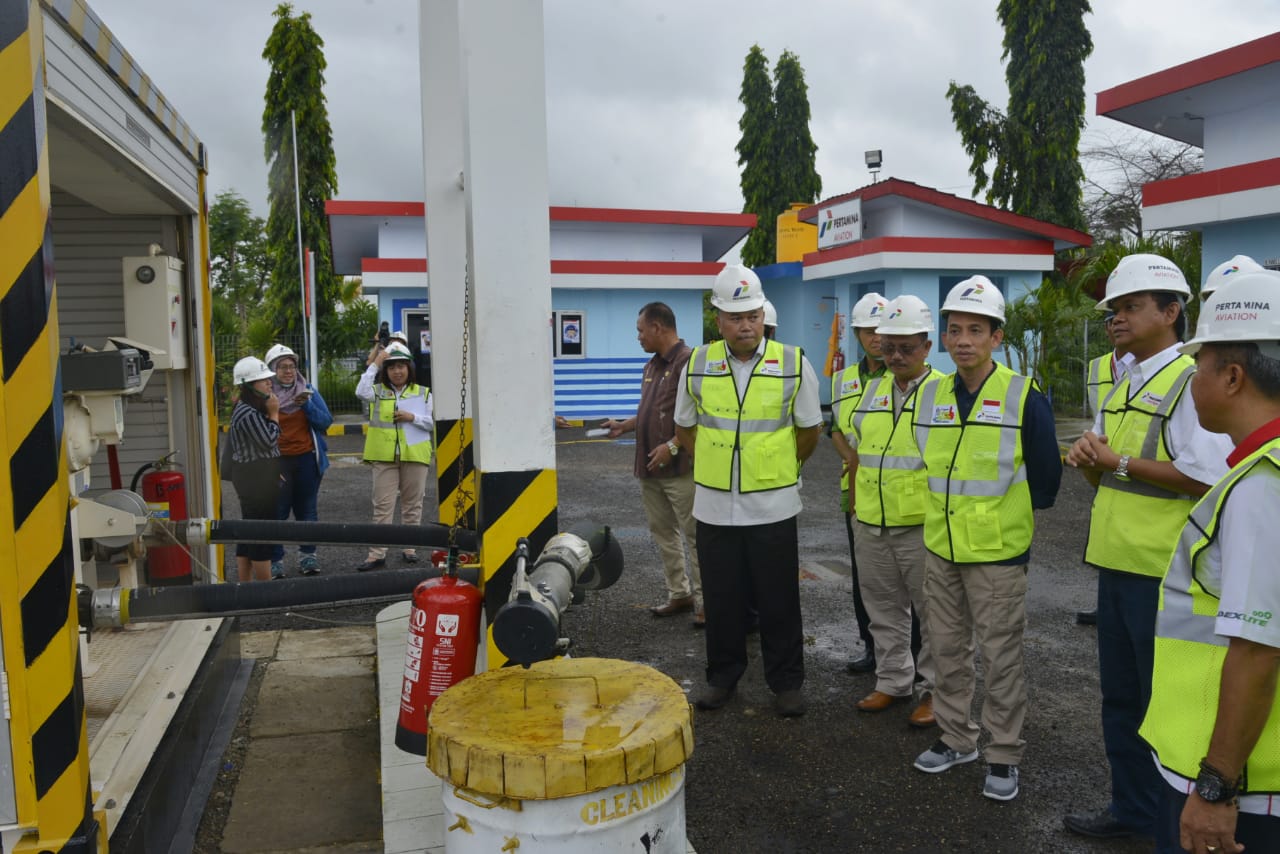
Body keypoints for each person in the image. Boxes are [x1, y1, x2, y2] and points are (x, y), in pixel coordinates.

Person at [1064, 255, 1234, 841]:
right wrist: (1091, 460)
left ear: (1170, 312)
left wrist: (1118, 462)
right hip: (1117, 564)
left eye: (1132, 307)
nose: (1118, 318)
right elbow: (1111, 472)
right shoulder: (1124, 381)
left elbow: (1206, 477)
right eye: (1114, 309)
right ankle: (1131, 810)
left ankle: (1169, 825)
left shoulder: (1189, 382)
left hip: (1163, 573)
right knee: (1121, 700)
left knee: (1164, 708)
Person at [1138, 269, 1280, 854]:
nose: (1191, 379)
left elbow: (1258, 648)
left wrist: (1216, 786)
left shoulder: (1262, 486)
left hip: (1242, 782)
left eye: (1198, 365)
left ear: (1232, 376)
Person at [910, 276, 1061, 802]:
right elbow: (928, 460)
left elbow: (1046, 478)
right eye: (954, 330)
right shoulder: (930, 394)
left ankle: (1003, 754)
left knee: (1001, 659)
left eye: (976, 330)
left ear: (997, 337)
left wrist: (1003, 520)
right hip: (941, 547)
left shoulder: (1023, 396)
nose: (963, 340)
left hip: (998, 553)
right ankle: (957, 739)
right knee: (947, 651)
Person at [675, 263, 823, 718]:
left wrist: (776, 468)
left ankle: (787, 683)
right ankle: (722, 677)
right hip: (715, 506)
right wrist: (718, 465)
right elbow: (684, 429)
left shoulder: (794, 363)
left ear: (763, 316)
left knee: (779, 599)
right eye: (736, 317)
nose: (746, 325)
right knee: (722, 598)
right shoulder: (697, 365)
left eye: (753, 316)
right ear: (718, 319)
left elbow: (809, 431)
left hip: (773, 505)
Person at [845, 295, 943, 728]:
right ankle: (893, 681)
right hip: (871, 521)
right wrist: (855, 508)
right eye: (889, 347)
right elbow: (858, 452)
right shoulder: (872, 391)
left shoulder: (945, 393)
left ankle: (935, 691)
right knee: (883, 611)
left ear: (927, 346)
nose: (897, 356)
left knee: (936, 615)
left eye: (906, 347)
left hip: (922, 525)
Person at [601, 302, 702, 626]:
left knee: (695, 535)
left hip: (680, 468)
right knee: (663, 533)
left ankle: (706, 603)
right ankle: (679, 594)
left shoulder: (690, 362)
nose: (639, 337)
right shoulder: (651, 366)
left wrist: (672, 446)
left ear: (658, 327)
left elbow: (700, 416)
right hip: (649, 467)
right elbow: (651, 411)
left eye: (641, 330)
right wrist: (624, 426)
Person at [831, 293, 896, 675]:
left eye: (882, 330)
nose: (876, 337)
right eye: (868, 330)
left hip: (898, 493)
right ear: (856, 333)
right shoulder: (843, 380)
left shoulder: (903, 375)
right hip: (855, 492)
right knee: (865, 577)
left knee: (902, 581)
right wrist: (850, 457)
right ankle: (872, 647)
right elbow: (835, 429)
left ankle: (909, 655)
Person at [354, 341, 434, 571]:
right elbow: (360, 391)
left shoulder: (423, 393)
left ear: (409, 368)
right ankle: (377, 554)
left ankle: (410, 548)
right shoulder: (378, 392)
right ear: (386, 370)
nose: (397, 371)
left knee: (412, 505)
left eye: (401, 366)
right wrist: (376, 362)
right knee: (382, 506)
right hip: (384, 457)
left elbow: (431, 423)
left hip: (415, 455)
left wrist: (412, 417)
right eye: (391, 367)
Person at [1076, 312, 1131, 625]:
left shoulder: (1148, 368)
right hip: (1102, 456)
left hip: (1129, 456)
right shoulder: (1097, 366)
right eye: (1109, 320)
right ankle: (1104, 603)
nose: (1114, 325)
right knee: (1103, 530)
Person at [265, 344, 332, 578]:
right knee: (278, 513)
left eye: (292, 366)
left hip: (306, 460)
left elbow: (325, 422)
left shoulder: (308, 390)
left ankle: (308, 557)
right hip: (277, 463)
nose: (288, 371)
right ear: (272, 370)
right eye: (282, 367)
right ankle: (275, 561)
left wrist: (306, 404)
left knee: (307, 512)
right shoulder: (265, 397)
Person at [227, 357, 282, 583]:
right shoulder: (247, 412)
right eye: (263, 380)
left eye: (268, 379)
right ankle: (264, 590)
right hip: (254, 478)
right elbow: (269, 440)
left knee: (249, 529)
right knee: (261, 533)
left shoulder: (250, 409)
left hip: (258, 475)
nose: (269, 383)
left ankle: (245, 585)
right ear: (249, 385)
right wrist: (275, 414)